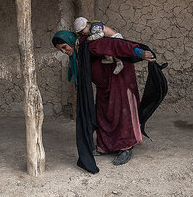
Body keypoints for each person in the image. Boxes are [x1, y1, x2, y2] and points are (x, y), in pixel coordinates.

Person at [52, 30, 158, 173]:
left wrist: (139, 52)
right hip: (104, 86)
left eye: (65, 47)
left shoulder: (89, 46)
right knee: (103, 113)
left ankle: (125, 148)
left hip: (119, 80)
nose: (64, 51)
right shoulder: (79, 53)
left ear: (71, 41)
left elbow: (113, 45)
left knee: (121, 113)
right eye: (61, 50)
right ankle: (105, 146)